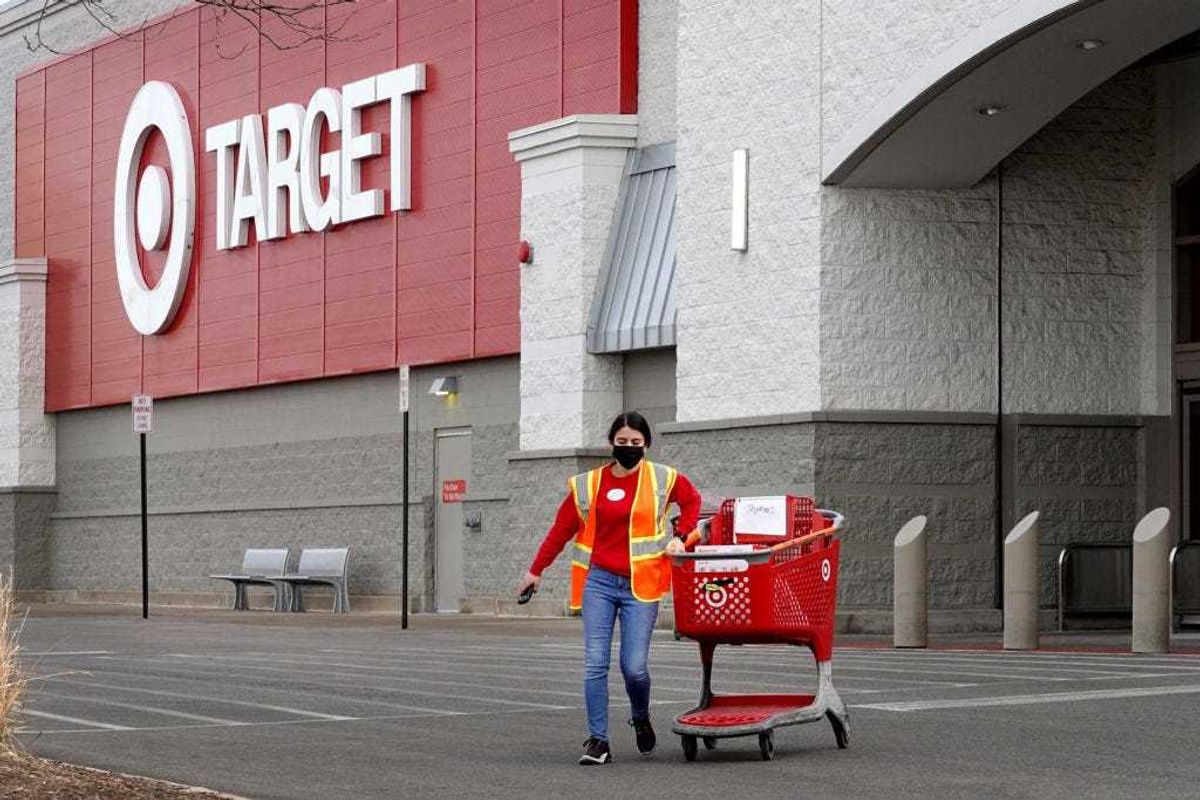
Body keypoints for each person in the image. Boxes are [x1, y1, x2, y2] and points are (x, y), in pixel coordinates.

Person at [516, 411, 704, 765]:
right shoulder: (588, 484)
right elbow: (561, 529)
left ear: (646, 444)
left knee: (634, 667)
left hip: (641, 585)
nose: (629, 448)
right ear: (611, 444)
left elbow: (692, 501)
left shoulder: (662, 478)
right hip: (599, 582)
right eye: (622, 442)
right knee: (594, 663)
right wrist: (535, 571)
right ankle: (598, 741)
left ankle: (640, 714)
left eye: (636, 443)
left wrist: (681, 536)